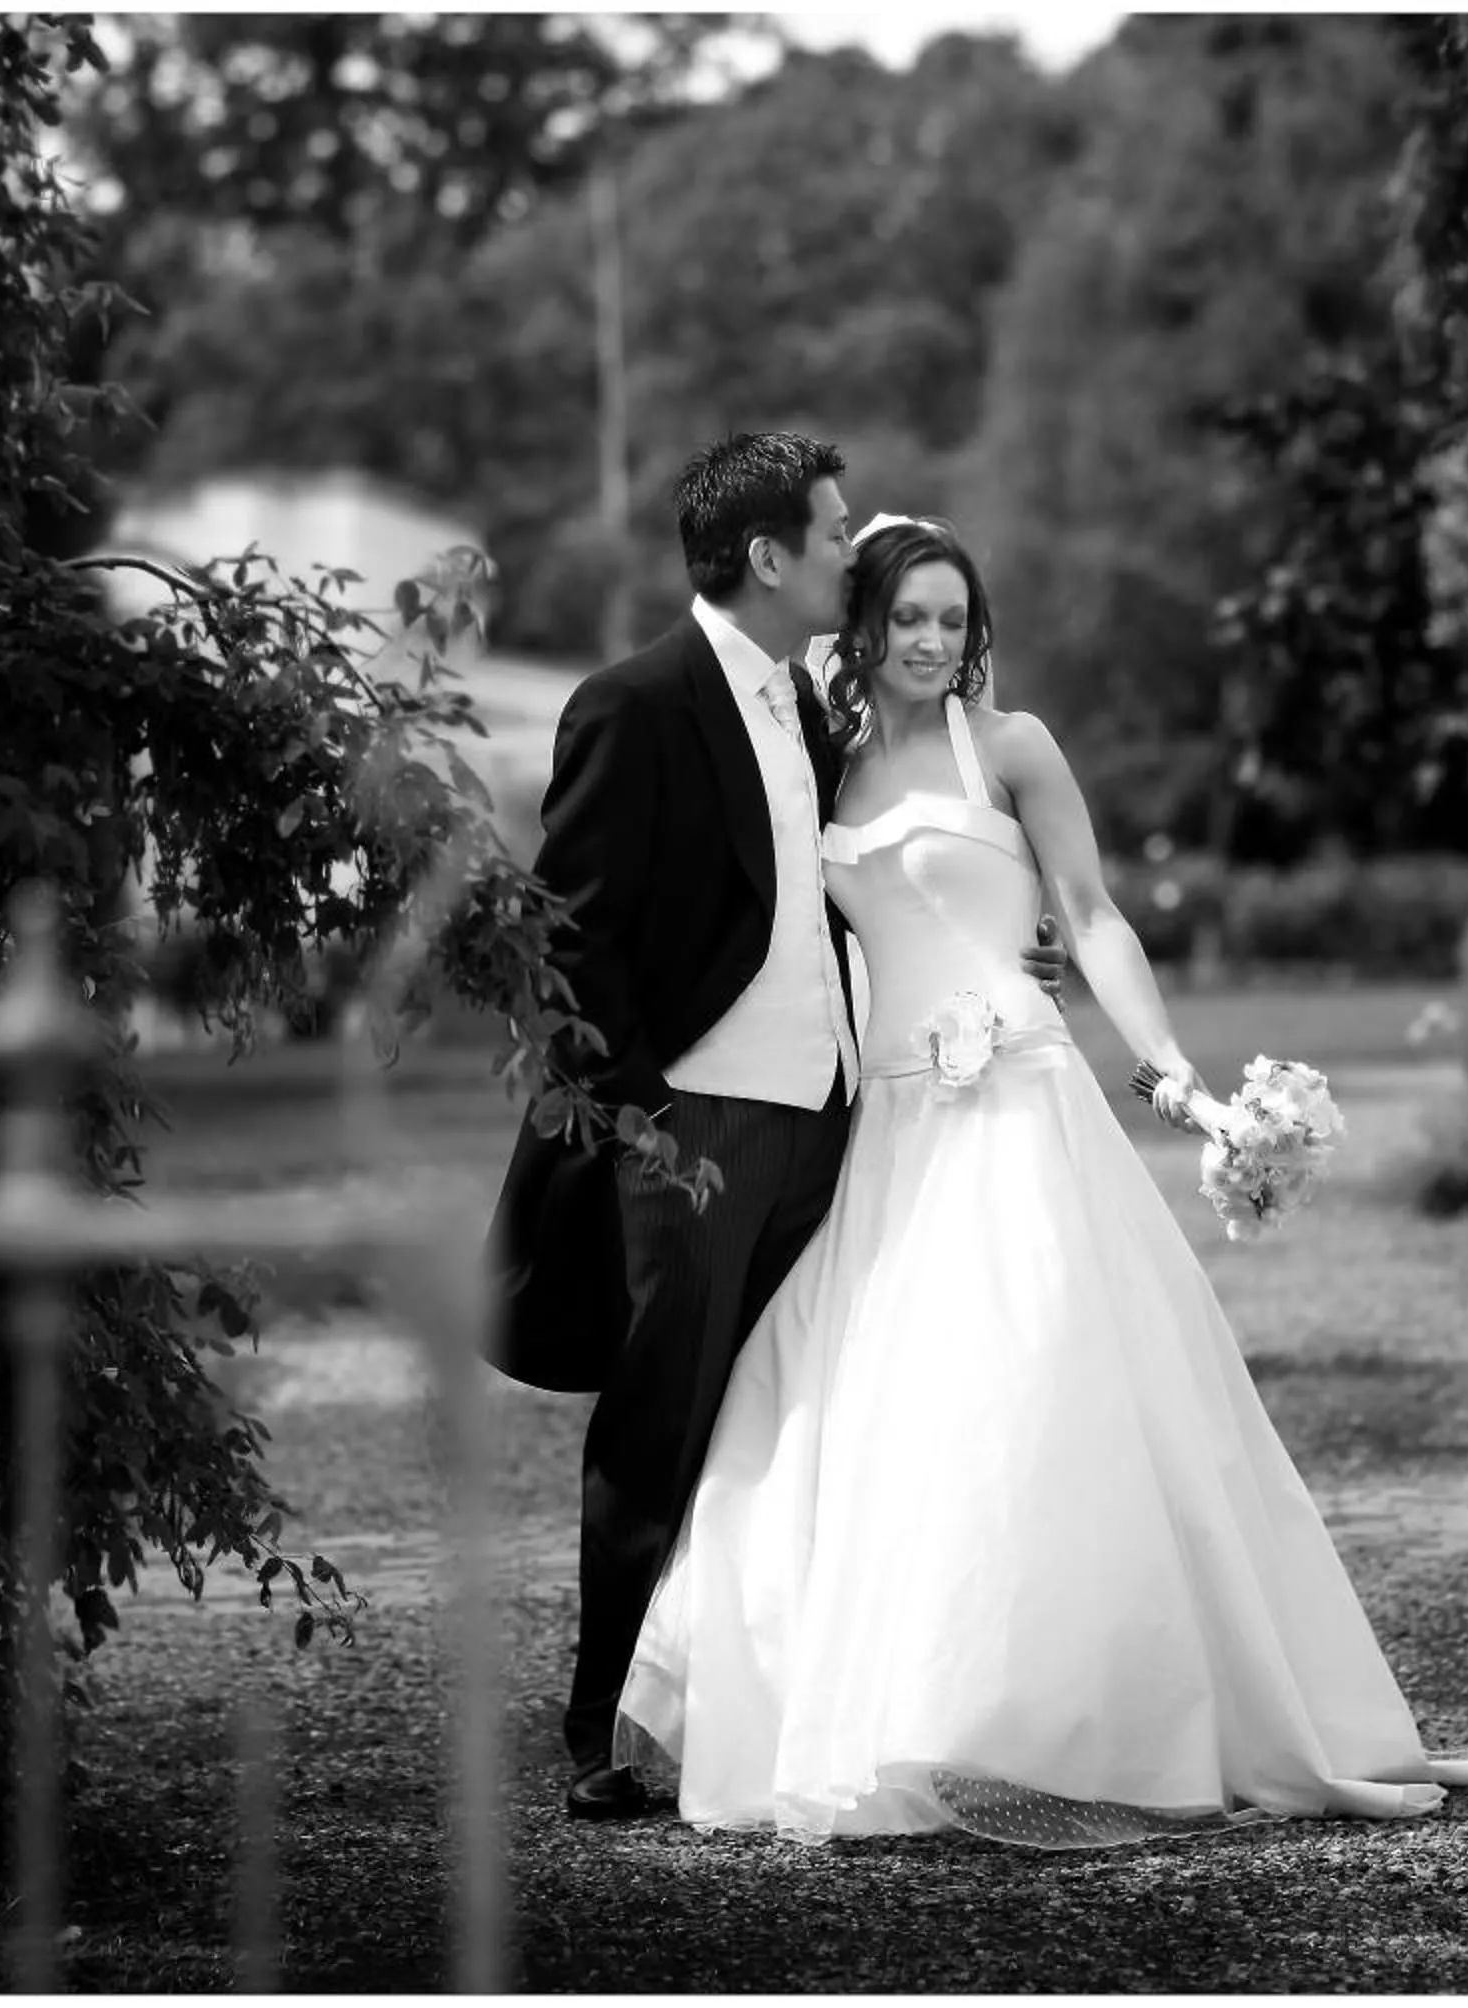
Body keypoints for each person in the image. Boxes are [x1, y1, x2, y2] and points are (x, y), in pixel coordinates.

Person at [610, 514, 1468, 1845]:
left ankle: (1106, 1712)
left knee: (1041, 1382)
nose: (930, 642)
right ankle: (918, 1709)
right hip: (899, 1130)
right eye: (907, 617)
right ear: (864, 625)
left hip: (1022, 1105)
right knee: (867, 1405)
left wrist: (1172, 1083)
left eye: (952, 621)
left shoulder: (1012, 748)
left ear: (977, 636)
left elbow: (1089, 918)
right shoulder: (824, 764)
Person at [482, 439, 1066, 1821]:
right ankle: (597, 1727)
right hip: (693, 1132)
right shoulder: (634, 704)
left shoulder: (815, 715)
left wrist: (1000, 951)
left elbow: (854, 884)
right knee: (663, 1422)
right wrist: (640, 1125)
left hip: (830, 1127)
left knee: (794, 1422)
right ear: (767, 558)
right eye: (830, 532)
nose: (849, 549)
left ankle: (770, 1702)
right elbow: (567, 944)